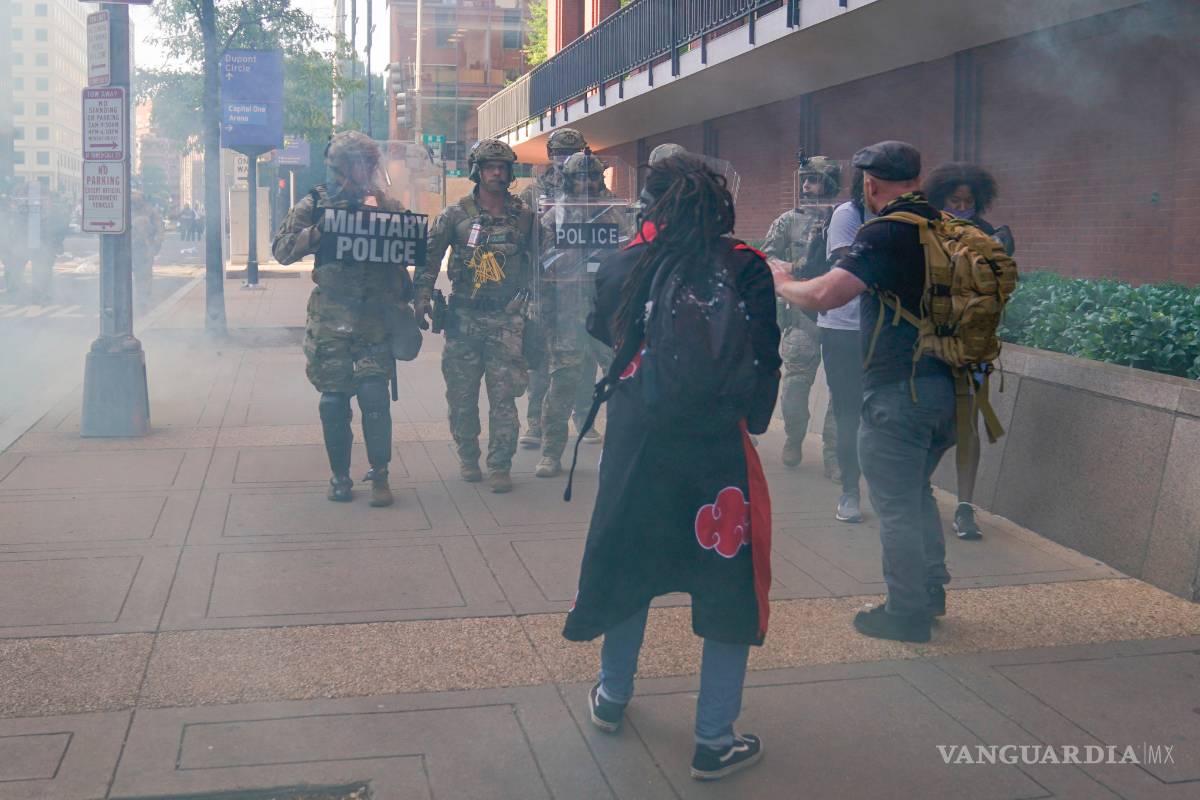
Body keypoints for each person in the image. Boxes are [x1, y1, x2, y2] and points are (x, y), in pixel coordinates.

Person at [565, 154, 780, 781]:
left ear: (650, 205)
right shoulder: (747, 266)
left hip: (637, 445)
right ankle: (713, 739)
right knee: (726, 584)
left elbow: (603, 334)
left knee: (630, 564)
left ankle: (612, 697)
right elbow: (767, 360)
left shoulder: (625, 262)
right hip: (718, 455)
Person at [773, 140, 952, 644]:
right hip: (950, 388)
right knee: (917, 492)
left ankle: (906, 612)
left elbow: (827, 293)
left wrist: (784, 281)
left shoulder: (887, 229)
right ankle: (932, 591)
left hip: (901, 390)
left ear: (869, 185)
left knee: (894, 504)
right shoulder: (943, 225)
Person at [272, 131, 410, 507]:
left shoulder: (386, 204)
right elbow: (282, 250)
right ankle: (340, 477)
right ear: (338, 165)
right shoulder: (315, 203)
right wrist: (320, 231)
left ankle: (380, 474)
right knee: (333, 401)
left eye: (366, 163)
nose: (361, 171)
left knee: (374, 396)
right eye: (353, 164)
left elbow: (407, 252)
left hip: (373, 317)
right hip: (331, 316)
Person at [415, 139, 535, 494]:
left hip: (507, 320)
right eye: (490, 167)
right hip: (464, 318)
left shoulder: (525, 216)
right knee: (462, 396)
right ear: (477, 172)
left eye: (503, 167)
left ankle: (500, 464)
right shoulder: (454, 215)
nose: (498, 173)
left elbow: (538, 265)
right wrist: (421, 296)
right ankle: (468, 456)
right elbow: (428, 260)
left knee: (505, 397)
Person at [923, 162, 1017, 541]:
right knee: (931, 422)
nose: (961, 206)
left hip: (974, 348)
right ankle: (917, 488)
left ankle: (964, 505)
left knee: (969, 424)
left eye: (968, 200)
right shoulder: (926, 233)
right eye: (954, 199)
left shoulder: (990, 238)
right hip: (934, 348)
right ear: (940, 197)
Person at [534, 151, 630, 477]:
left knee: (625, 383)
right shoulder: (554, 217)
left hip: (609, 312)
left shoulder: (616, 212)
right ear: (569, 179)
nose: (587, 182)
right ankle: (550, 453)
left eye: (592, 176)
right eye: (580, 176)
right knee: (562, 384)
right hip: (569, 311)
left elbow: (632, 254)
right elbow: (541, 263)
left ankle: (626, 454)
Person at [761, 154, 841, 472]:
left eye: (814, 179)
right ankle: (794, 438)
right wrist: (792, 271)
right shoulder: (787, 221)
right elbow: (767, 259)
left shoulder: (844, 219)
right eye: (804, 180)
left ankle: (834, 453)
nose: (806, 186)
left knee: (841, 389)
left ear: (830, 183)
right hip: (801, 317)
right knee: (795, 387)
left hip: (839, 316)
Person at [520, 127, 590, 452]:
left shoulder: (590, 188)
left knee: (582, 356)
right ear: (551, 156)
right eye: (560, 154)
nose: (565, 161)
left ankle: (583, 417)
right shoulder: (533, 193)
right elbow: (521, 241)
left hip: (582, 288)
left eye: (572, 153)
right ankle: (535, 421)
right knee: (541, 357)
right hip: (545, 287)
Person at [819, 168, 871, 523]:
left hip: (887, 330)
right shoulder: (847, 215)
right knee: (848, 411)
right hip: (843, 327)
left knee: (886, 413)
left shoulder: (906, 218)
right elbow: (855, 267)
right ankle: (850, 490)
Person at [131, 192, 164, 308]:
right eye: (134, 201)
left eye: (137, 201)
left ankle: (144, 296)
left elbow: (159, 228)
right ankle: (140, 295)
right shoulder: (129, 211)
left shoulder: (151, 212)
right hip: (133, 246)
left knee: (145, 273)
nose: (135, 203)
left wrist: (157, 243)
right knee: (137, 273)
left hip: (147, 246)